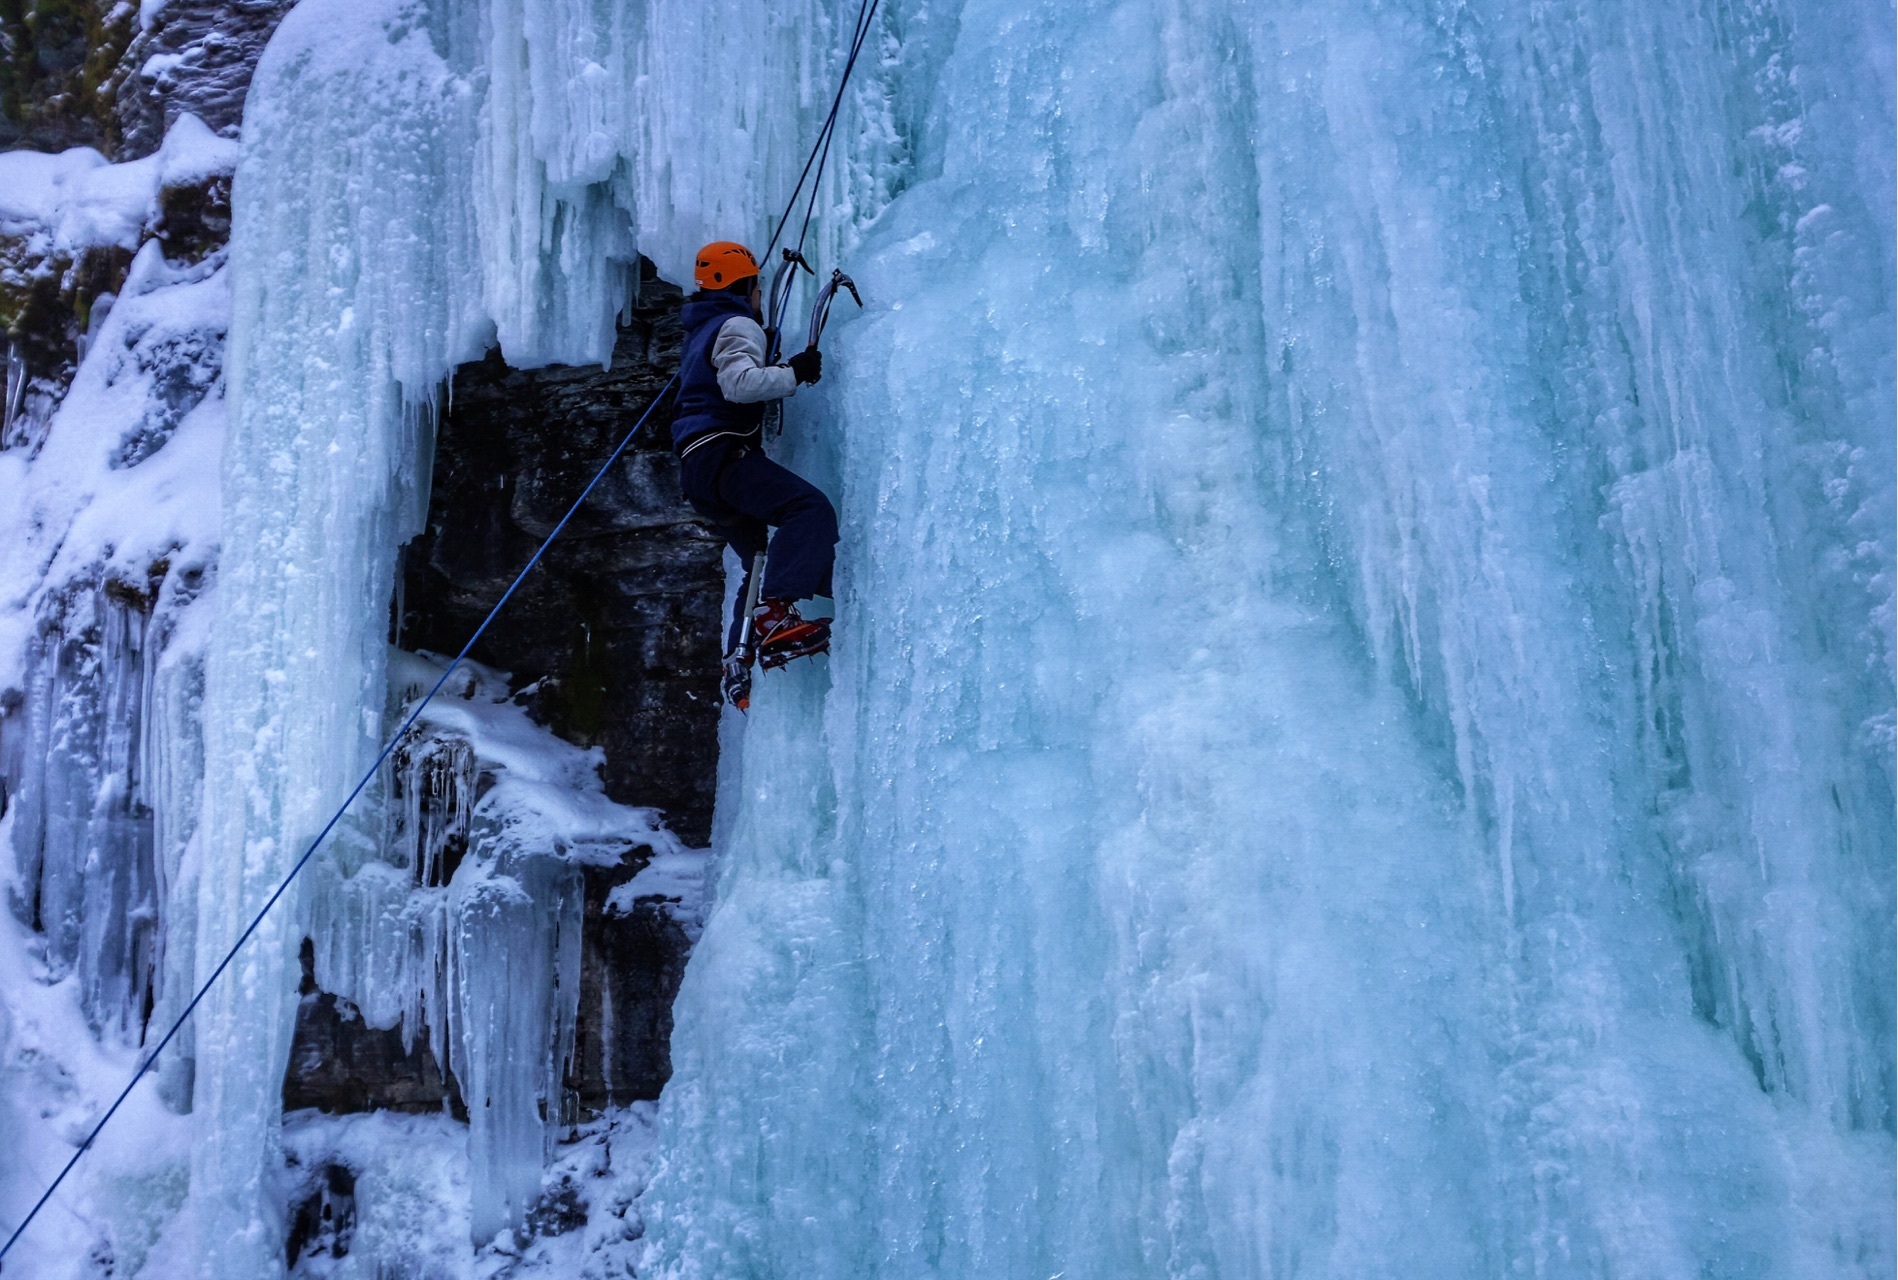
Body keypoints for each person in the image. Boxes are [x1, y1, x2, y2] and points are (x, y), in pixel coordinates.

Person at [672, 240, 839, 703]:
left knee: (758, 557)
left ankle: (737, 659)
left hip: (698, 470)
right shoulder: (736, 323)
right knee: (807, 508)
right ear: (746, 285)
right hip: (722, 454)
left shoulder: (701, 331)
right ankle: (774, 613)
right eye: (758, 287)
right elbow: (739, 384)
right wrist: (794, 372)